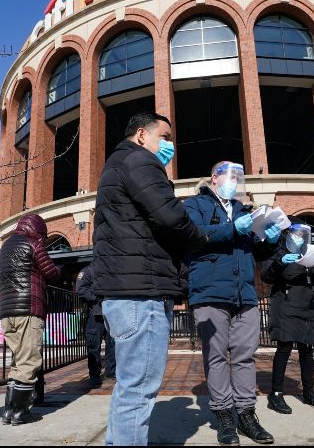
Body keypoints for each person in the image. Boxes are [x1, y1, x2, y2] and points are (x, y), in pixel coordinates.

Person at [93, 111, 207, 446]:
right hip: (141, 293)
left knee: (129, 387)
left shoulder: (117, 165)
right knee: (139, 390)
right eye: (166, 137)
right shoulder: (140, 161)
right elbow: (171, 217)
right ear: (142, 135)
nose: (171, 145)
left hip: (127, 292)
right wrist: (202, 239)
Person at [184, 161, 278, 446]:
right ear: (215, 178)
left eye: (238, 178)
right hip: (210, 292)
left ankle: (247, 414)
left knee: (244, 356)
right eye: (230, 177)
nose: (235, 182)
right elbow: (193, 237)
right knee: (215, 356)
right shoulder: (195, 204)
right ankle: (225, 416)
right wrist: (230, 228)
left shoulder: (243, 209)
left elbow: (254, 251)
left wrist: (269, 240)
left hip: (245, 294)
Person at [0, 213, 62, 425]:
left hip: (7, 312)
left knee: (18, 361)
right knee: (30, 360)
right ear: (38, 231)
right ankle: (20, 412)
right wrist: (60, 270)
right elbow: (51, 273)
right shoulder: (34, 244)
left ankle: (9, 410)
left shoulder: (6, 246)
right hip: (28, 308)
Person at [261, 224, 314, 415]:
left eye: (304, 235)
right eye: (297, 234)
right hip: (285, 303)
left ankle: (309, 391)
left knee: (307, 348)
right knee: (284, 348)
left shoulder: (309, 252)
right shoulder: (278, 249)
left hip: (306, 304)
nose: (301, 238)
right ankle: (275, 394)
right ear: (290, 235)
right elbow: (266, 275)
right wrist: (281, 261)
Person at [75, 263, 116, 388]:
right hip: (95, 313)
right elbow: (81, 289)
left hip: (113, 313)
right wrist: (98, 298)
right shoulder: (88, 271)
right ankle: (94, 375)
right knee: (93, 346)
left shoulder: (112, 269)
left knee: (113, 345)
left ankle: (111, 373)